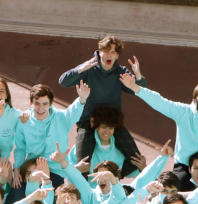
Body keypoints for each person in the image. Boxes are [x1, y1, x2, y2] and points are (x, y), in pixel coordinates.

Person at [60, 35, 146, 172]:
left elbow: (138, 90)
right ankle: (85, 191)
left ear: (117, 56)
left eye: (113, 52)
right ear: (99, 52)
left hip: (112, 123)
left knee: (138, 162)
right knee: (82, 166)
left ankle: (110, 179)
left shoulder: (120, 72)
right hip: (87, 122)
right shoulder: (89, 67)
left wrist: (139, 77)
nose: (108, 55)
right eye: (105, 51)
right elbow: (63, 82)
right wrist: (80, 69)